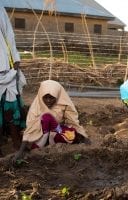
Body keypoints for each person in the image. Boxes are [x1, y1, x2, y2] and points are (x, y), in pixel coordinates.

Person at [13, 80, 90, 162]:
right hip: (39, 134)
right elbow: (30, 130)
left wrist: (83, 136)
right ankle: (40, 145)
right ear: (41, 96)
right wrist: (20, 152)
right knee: (46, 117)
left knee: (72, 136)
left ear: (57, 96)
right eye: (45, 97)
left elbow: (73, 121)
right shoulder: (36, 108)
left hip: (56, 130)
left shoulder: (64, 104)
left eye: (51, 97)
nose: (48, 101)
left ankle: (51, 140)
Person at [0, 6, 27, 157]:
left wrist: (15, 59)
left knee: (12, 108)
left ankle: (16, 143)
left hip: (4, 65)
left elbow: (8, 33)